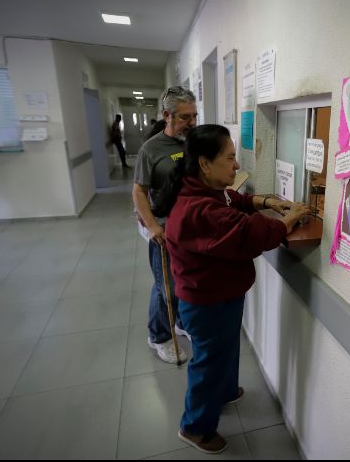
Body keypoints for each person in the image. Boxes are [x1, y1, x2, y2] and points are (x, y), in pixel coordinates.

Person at [165, 124, 308, 454]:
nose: (237, 165)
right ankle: (195, 428)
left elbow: (238, 199)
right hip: (206, 302)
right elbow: (250, 234)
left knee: (226, 349)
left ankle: (225, 391)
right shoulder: (198, 209)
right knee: (208, 362)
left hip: (222, 294)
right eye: (230, 158)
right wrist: (291, 217)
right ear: (204, 163)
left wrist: (268, 200)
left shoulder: (210, 190)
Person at [132, 86, 198, 365]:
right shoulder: (151, 149)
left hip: (191, 226)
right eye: (185, 117)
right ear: (167, 115)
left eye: (194, 116)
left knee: (184, 280)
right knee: (166, 286)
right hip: (163, 226)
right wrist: (152, 226)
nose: (191, 123)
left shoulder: (194, 141)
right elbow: (138, 191)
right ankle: (158, 335)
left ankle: (180, 322)